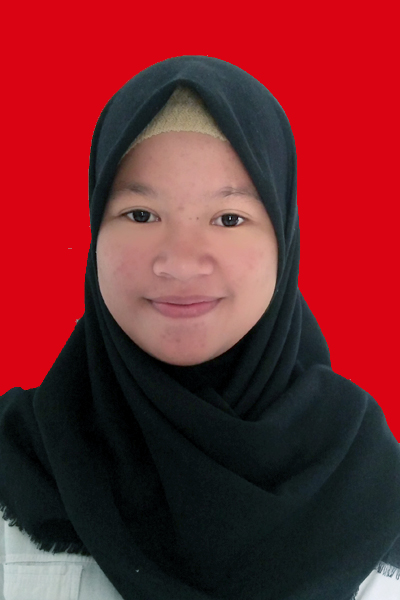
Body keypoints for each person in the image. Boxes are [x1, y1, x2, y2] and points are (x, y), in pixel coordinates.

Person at [1, 56, 399, 600]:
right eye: (141, 214)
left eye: (229, 219)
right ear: (95, 232)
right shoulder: (18, 469)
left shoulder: (370, 481)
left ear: (283, 240)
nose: (181, 263)